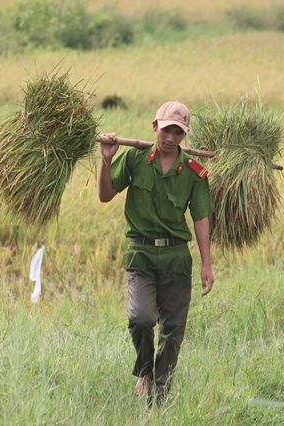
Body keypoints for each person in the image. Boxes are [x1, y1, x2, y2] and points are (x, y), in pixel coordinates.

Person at [98, 101, 215, 407]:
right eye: (167, 130)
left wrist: (207, 263)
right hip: (142, 254)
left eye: (178, 132)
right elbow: (105, 195)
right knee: (140, 318)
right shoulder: (136, 158)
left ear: (184, 135)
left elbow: (201, 217)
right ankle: (145, 371)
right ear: (155, 127)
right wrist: (106, 161)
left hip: (176, 258)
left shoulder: (194, 172)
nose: (171, 137)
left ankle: (159, 399)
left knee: (173, 331)